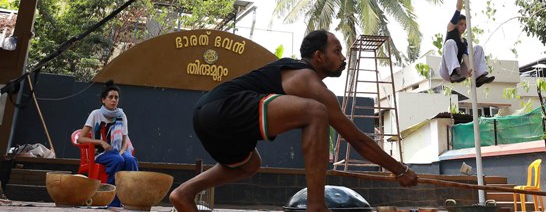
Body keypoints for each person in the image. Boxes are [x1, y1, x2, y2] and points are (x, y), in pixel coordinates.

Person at [169, 30, 418, 212]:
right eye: (337, 51)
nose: (343, 57)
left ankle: (184, 193)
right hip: (222, 107)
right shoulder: (306, 79)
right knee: (316, 112)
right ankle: (316, 206)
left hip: (205, 116)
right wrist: (400, 170)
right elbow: (357, 139)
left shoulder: (296, 73)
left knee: (249, 165)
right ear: (318, 56)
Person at [77, 80, 138, 207]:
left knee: (130, 160)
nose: (114, 100)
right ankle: (112, 201)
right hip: (101, 153)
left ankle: (131, 199)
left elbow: (125, 140)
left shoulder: (121, 115)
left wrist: (122, 152)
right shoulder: (96, 114)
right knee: (118, 160)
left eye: (116, 97)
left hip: (119, 151)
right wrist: (100, 142)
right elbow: (80, 138)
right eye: (110, 97)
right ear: (103, 100)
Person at [439, 0, 495, 87]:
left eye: (465, 25)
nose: (463, 27)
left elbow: (465, 55)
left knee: (478, 48)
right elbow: (458, 8)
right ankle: (453, 73)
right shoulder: (450, 29)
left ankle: (478, 77)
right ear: (456, 24)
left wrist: (469, 68)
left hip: (460, 73)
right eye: (461, 24)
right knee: (450, 43)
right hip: (446, 71)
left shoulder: (464, 41)